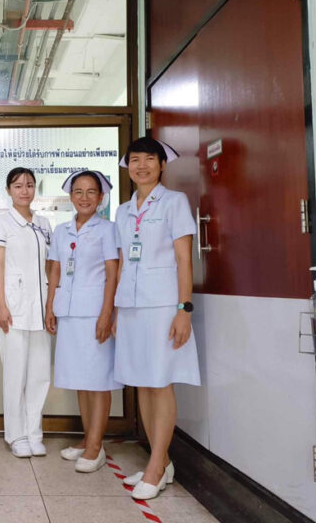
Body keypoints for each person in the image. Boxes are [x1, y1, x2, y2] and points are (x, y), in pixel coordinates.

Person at [112, 137, 201, 500]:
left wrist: (184, 309)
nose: (142, 166)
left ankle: (156, 466)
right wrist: (118, 309)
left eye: (150, 159)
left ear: (162, 165)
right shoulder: (123, 210)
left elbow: (184, 259)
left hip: (164, 306)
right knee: (142, 382)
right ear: (127, 166)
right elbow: (122, 263)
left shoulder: (175, 202)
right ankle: (159, 461)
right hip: (131, 307)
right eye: (135, 160)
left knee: (160, 382)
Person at [45, 170, 121, 473]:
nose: (85, 197)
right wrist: (50, 305)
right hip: (69, 311)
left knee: (98, 380)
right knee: (80, 378)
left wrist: (107, 313)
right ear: (71, 197)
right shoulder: (61, 230)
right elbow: (55, 270)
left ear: (101, 198)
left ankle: (95, 446)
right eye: (78, 192)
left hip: (94, 312)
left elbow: (113, 273)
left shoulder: (108, 230)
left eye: (91, 192)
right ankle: (89, 438)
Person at [0, 167, 52, 458]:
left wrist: (51, 303)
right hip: (11, 307)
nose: (24, 190)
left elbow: (49, 267)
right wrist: (1, 304)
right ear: (8, 190)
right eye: (18, 185)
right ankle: (15, 435)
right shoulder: (0, 224)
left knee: (39, 373)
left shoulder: (44, 223)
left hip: (39, 308)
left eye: (29, 185)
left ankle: (34, 432)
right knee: (15, 372)